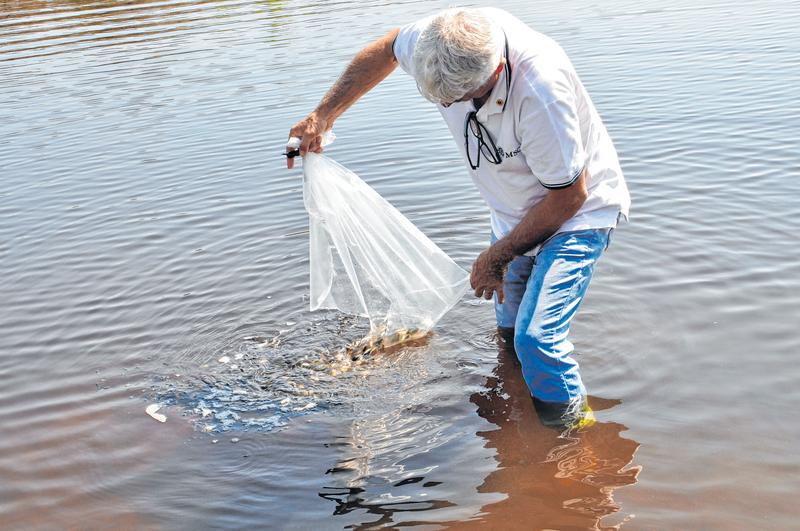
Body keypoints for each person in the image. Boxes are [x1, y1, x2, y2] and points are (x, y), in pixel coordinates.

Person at [287, 7, 630, 427]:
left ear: (498, 69)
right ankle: (522, 406)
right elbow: (386, 49)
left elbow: (568, 197)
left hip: (577, 213)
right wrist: (324, 114)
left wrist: (494, 257)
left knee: (537, 340)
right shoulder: (436, 40)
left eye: (462, 96)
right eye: (440, 98)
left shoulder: (540, 90)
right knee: (508, 336)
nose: (450, 105)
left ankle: (573, 440)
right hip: (514, 210)